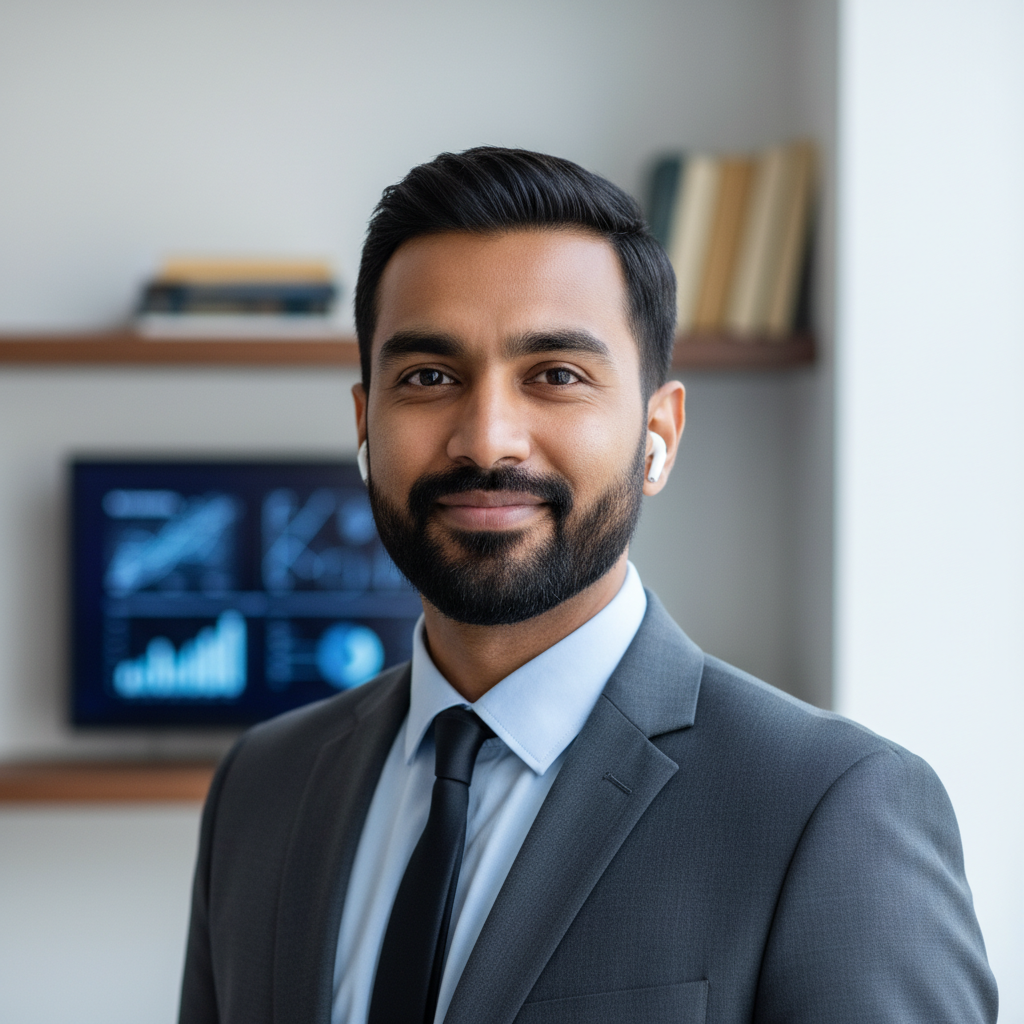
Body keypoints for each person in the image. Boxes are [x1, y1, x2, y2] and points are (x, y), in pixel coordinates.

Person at [179, 147, 997, 1024]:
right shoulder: (262, 786)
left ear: (660, 435)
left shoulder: (829, 810)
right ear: (364, 422)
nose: (487, 440)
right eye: (428, 377)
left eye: (557, 376)